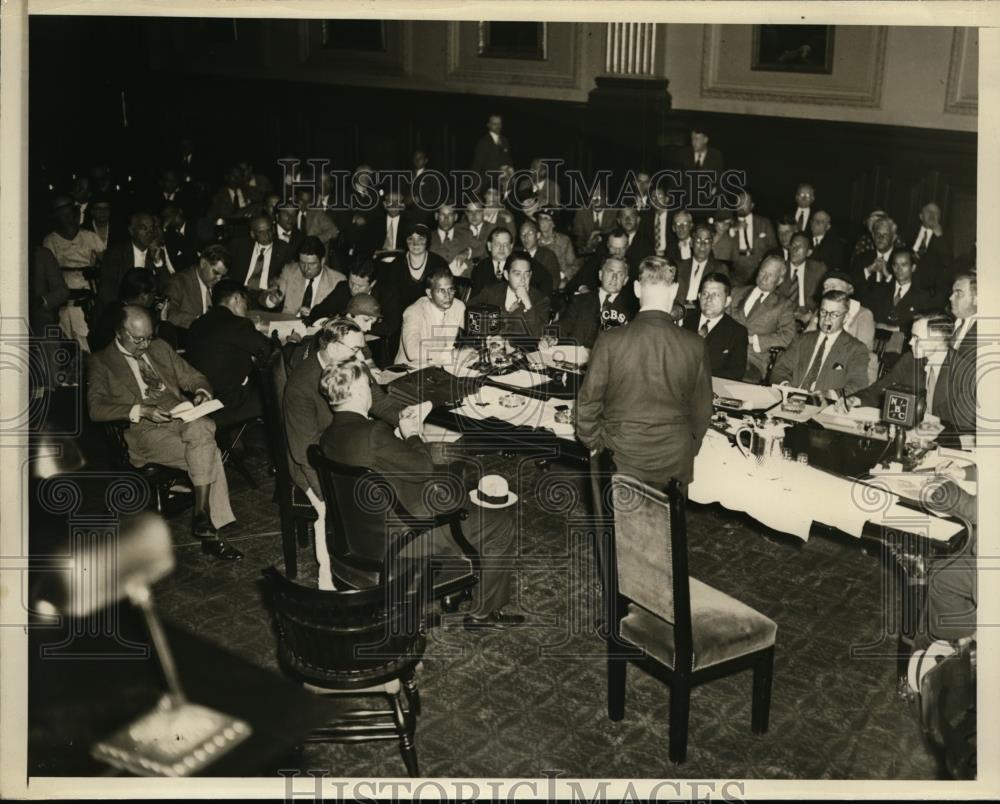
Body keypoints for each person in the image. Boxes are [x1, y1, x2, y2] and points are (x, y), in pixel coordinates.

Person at [319, 359, 524, 629]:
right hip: (405, 537)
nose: (371, 390)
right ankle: (482, 614)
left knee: (453, 483)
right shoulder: (373, 433)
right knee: (500, 523)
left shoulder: (328, 437)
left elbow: (386, 461)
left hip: (361, 534)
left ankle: (457, 582)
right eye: (368, 385)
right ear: (358, 391)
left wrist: (400, 441)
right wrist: (412, 434)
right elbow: (423, 468)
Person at [87, 305, 241, 559]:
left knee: (201, 428)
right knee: (207, 448)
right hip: (144, 431)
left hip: (180, 417)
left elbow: (194, 377)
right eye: (139, 339)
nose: (145, 345)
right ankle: (206, 523)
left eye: (149, 337)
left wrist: (202, 392)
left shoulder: (159, 348)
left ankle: (204, 519)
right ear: (120, 332)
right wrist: (141, 410)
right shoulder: (101, 361)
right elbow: (96, 408)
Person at [283, 317, 405, 586]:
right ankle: (329, 583)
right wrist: (328, 494)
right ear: (332, 347)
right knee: (333, 514)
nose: (361, 356)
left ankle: (387, 571)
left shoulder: (352, 366)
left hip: (348, 449)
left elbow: (381, 404)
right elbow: (303, 451)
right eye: (355, 349)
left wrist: (407, 419)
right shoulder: (301, 385)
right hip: (314, 465)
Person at [577, 256, 713, 486]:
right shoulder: (695, 344)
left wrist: (596, 445)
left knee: (618, 522)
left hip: (619, 456)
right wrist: (688, 449)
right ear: (675, 290)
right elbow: (702, 411)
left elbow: (587, 404)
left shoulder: (610, 340)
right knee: (671, 522)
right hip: (674, 460)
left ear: (637, 289)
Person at [185, 279, 273, 426]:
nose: (246, 309)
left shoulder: (197, 324)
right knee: (274, 394)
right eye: (246, 303)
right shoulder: (238, 324)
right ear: (237, 298)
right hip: (227, 404)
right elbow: (269, 350)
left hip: (198, 400)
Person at [770, 290, 871, 395]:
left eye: (834, 314)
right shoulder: (801, 340)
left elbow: (858, 384)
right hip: (791, 400)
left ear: (845, 318)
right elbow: (780, 369)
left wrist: (831, 394)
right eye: (823, 312)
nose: (827, 319)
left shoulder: (856, 349)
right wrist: (785, 384)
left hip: (825, 405)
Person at [729, 256, 797, 382]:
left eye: (770, 275)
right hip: (725, 352)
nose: (764, 278)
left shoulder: (783, 305)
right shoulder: (736, 292)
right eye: (762, 272)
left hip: (752, 360)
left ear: (780, 280)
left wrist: (754, 340)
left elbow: (789, 336)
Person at [543, 257, 637, 349]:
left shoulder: (631, 310)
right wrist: (551, 337)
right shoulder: (580, 301)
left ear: (625, 280)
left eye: (620, 274)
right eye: (610, 271)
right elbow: (563, 326)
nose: (614, 278)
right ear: (600, 275)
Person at [89, 268, 179, 353]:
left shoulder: (112, 309)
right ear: (143, 296)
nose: (155, 297)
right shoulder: (133, 319)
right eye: (154, 293)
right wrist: (164, 321)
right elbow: (162, 352)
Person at [469, 252, 551, 344]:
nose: (523, 280)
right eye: (517, 274)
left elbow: (539, 335)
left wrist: (528, 304)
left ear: (530, 275)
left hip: (522, 352)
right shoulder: (491, 291)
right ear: (506, 275)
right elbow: (470, 313)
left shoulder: (541, 299)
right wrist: (487, 336)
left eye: (526, 274)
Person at [934, 273, 977, 443]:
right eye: (952, 292)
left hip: (964, 417)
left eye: (958, 293)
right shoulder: (951, 323)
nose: (951, 297)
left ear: (977, 299)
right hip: (939, 406)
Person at [97, 212, 169, 313]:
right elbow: (106, 291)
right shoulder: (115, 253)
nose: (149, 233)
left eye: (151, 228)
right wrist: (125, 312)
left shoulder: (155, 252)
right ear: (131, 231)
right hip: (118, 310)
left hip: (147, 312)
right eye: (144, 228)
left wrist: (158, 262)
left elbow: (166, 288)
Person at [682, 272, 748, 380]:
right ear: (699, 297)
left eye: (716, 295)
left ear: (727, 301)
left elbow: (736, 373)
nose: (709, 299)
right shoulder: (684, 320)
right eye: (705, 294)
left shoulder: (737, 332)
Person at [396, 267, 466, 368]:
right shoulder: (414, 312)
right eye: (441, 291)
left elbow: (475, 330)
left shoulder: (458, 306)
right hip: (409, 370)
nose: (448, 296)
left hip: (440, 368)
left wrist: (492, 340)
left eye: (451, 290)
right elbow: (412, 352)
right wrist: (454, 354)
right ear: (429, 293)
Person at [261, 236, 345, 318]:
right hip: (289, 326)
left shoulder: (338, 281)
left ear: (322, 261)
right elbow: (264, 297)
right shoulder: (290, 271)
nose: (306, 269)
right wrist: (271, 300)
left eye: (312, 264)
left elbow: (340, 317)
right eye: (302, 263)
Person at [163, 244, 230, 328]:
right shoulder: (178, 282)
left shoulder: (222, 285)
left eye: (222, 276)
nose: (219, 279)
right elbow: (169, 314)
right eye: (216, 273)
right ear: (203, 263)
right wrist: (200, 322)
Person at [228, 214, 293, 299]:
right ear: (253, 234)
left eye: (268, 230)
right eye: (261, 232)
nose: (266, 235)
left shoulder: (284, 249)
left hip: (267, 295)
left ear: (273, 230)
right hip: (241, 294)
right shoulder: (240, 246)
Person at [305, 259, 380, 326]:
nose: (353, 288)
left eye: (359, 286)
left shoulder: (384, 296)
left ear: (372, 284)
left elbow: (387, 329)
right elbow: (318, 311)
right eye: (351, 282)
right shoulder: (343, 288)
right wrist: (327, 323)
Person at [776, 231, 827, 327]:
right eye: (793, 245)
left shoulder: (818, 270)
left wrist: (813, 316)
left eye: (800, 247)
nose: (794, 250)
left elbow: (825, 298)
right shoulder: (779, 268)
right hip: (782, 317)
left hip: (809, 318)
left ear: (809, 252)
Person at [728, 191, 778, 287]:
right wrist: (733, 230)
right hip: (738, 268)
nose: (741, 205)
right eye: (738, 202)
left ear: (752, 205)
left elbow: (773, 247)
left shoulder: (764, 223)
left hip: (759, 266)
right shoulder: (729, 225)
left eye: (745, 202)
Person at [675, 222, 729, 306]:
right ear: (691, 243)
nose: (702, 245)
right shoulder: (679, 266)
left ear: (712, 244)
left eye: (707, 241)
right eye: (698, 240)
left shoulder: (719, 268)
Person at [471, 114, 513, 192]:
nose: (498, 126)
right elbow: (476, 166)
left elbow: (508, 160)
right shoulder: (483, 142)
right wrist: (475, 188)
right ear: (488, 125)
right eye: (494, 124)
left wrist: (511, 173)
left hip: (503, 184)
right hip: (487, 183)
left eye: (499, 124)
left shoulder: (504, 140)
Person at [536, 207, 577, 287]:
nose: (542, 221)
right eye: (540, 218)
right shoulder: (535, 241)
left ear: (553, 223)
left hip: (562, 282)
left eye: (546, 218)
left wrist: (564, 278)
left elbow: (574, 265)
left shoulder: (563, 241)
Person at [571, 187, 616, 254]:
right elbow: (577, 239)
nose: (596, 202)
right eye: (593, 198)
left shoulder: (614, 213)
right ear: (589, 201)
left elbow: (615, 233)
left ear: (606, 200)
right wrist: (588, 246)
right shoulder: (581, 213)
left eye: (600, 198)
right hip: (586, 253)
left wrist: (599, 235)